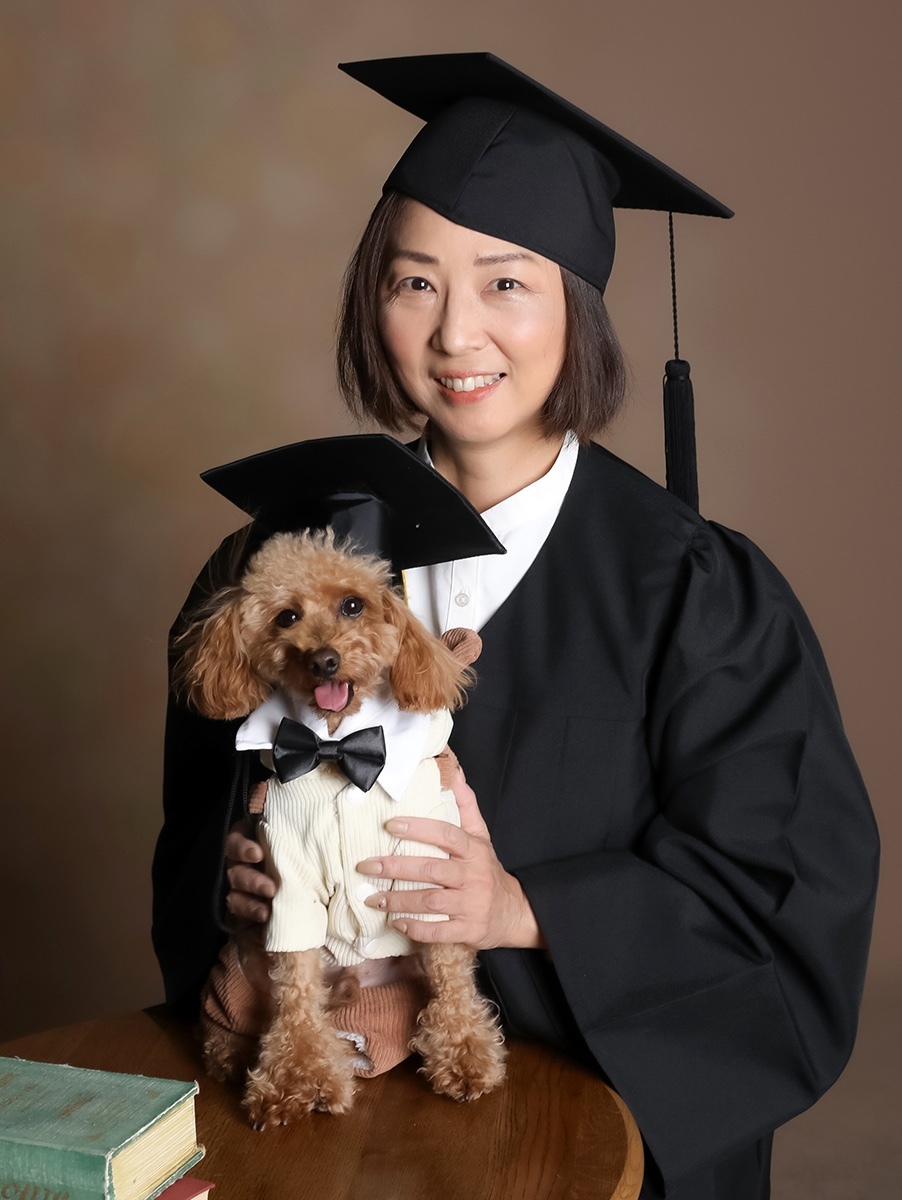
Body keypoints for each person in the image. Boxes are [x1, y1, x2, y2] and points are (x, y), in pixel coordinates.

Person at [152, 54, 879, 1200]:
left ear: (574, 307)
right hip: (345, 1140)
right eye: (415, 282)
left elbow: (778, 902)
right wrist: (237, 898)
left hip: (585, 1136)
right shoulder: (285, 567)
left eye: (505, 283)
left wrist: (520, 910)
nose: (456, 335)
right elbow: (195, 827)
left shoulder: (693, 594)